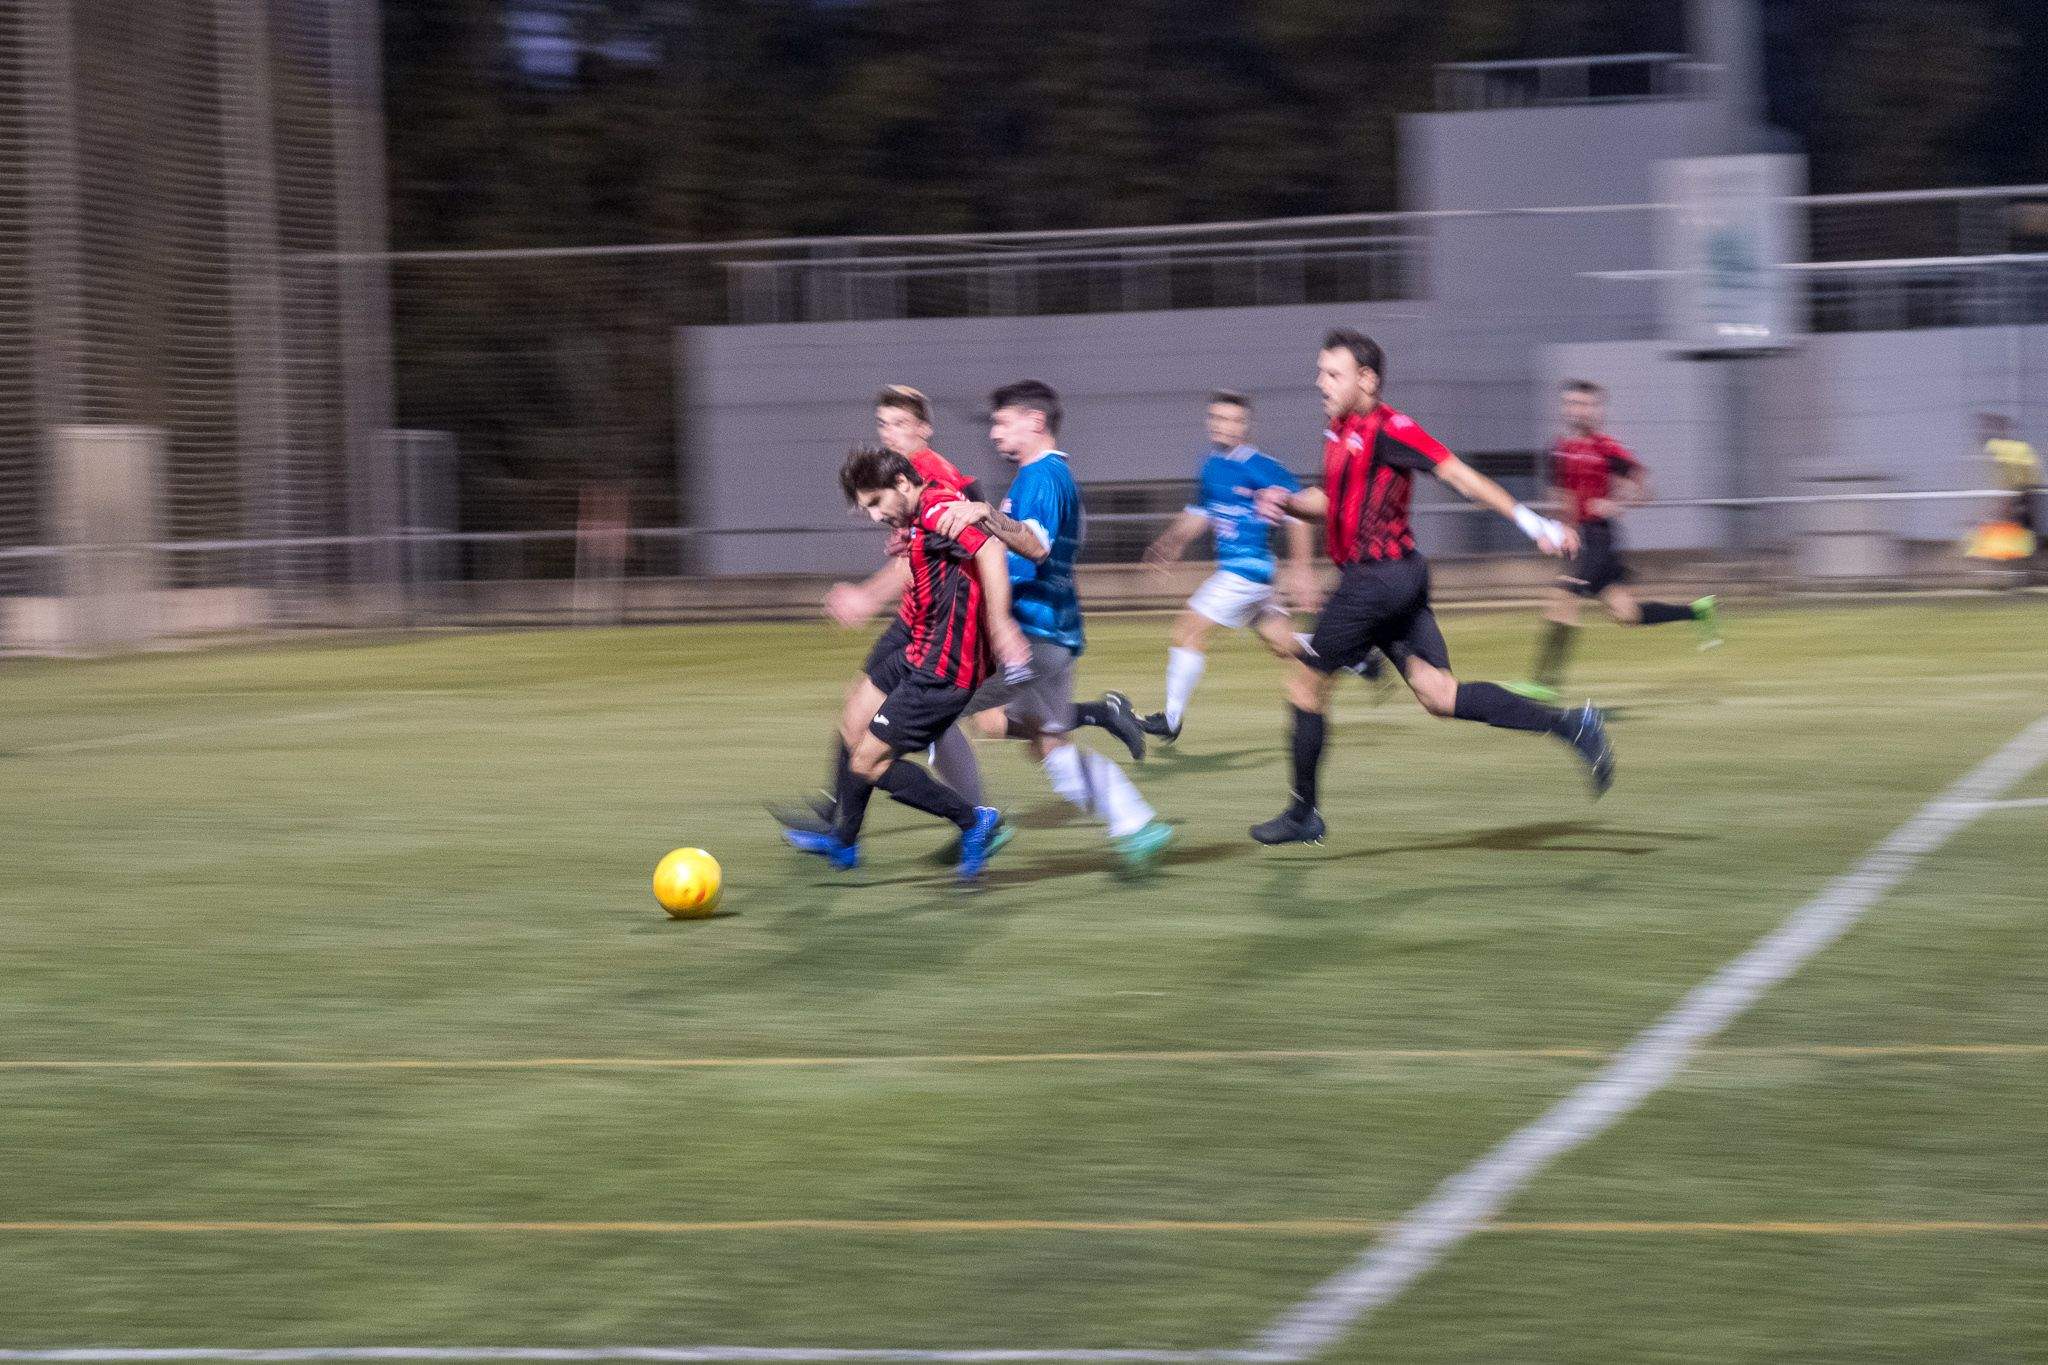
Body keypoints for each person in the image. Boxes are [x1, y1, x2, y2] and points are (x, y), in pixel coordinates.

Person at [1247, 330, 1616, 847]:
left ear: (1367, 379)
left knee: (1305, 684)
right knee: (1439, 695)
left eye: (1332, 374)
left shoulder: (1391, 428)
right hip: (1394, 578)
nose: (1320, 383)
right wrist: (1285, 500)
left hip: (1375, 580)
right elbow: (1330, 502)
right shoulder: (1339, 431)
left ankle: (1303, 813)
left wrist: (1536, 524)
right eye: (1320, 372)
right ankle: (1573, 726)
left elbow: (1459, 475)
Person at [931, 380, 1177, 875]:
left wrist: (983, 514)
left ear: (1035, 421)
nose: (995, 433)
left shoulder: (1041, 475)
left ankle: (979, 823)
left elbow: (1036, 546)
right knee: (1048, 746)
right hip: (1053, 635)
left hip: (1029, 635)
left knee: (932, 715)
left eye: (1003, 422)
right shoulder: (1048, 477)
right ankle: (1135, 823)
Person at [784, 447, 1026, 883]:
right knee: (853, 721)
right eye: (867, 508)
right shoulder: (918, 514)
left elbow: (990, 549)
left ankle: (974, 820)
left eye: (876, 503)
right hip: (918, 647)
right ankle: (844, 840)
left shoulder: (935, 509)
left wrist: (1000, 622)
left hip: (944, 668)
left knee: (868, 762)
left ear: (901, 482)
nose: (875, 516)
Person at [774, 386, 988, 845]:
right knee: (867, 713)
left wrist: (867, 596)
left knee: (898, 730)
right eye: (883, 424)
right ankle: (842, 823)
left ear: (924, 429)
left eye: (900, 424)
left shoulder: (933, 475)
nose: (889, 434)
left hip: (936, 629)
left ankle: (973, 818)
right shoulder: (898, 478)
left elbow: (957, 549)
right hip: (916, 619)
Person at [1128, 391, 1318, 744]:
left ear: (1245, 426)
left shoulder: (1262, 466)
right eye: (1217, 418)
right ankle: (1355, 657)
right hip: (1247, 575)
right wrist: (1169, 544)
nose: (1223, 425)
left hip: (1246, 571)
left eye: (1232, 420)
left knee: (1188, 629)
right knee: (1281, 642)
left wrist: (1302, 568)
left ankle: (1170, 719)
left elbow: (1302, 512)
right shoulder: (1212, 466)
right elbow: (1200, 514)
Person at [1517, 380, 1720, 700]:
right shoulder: (1556, 449)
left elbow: (1645, 489)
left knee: (1563, 596)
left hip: (1599, 538)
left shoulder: (1607, 448)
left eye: (1584, 404)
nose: (1577, 410)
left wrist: (1615, 503)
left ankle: (1545, 684)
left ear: (1597, 410)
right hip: (1577, 540)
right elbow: (1558, 496)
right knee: (1627, 614)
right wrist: (1552, 530)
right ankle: (1697, 612)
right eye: (1571, 403)